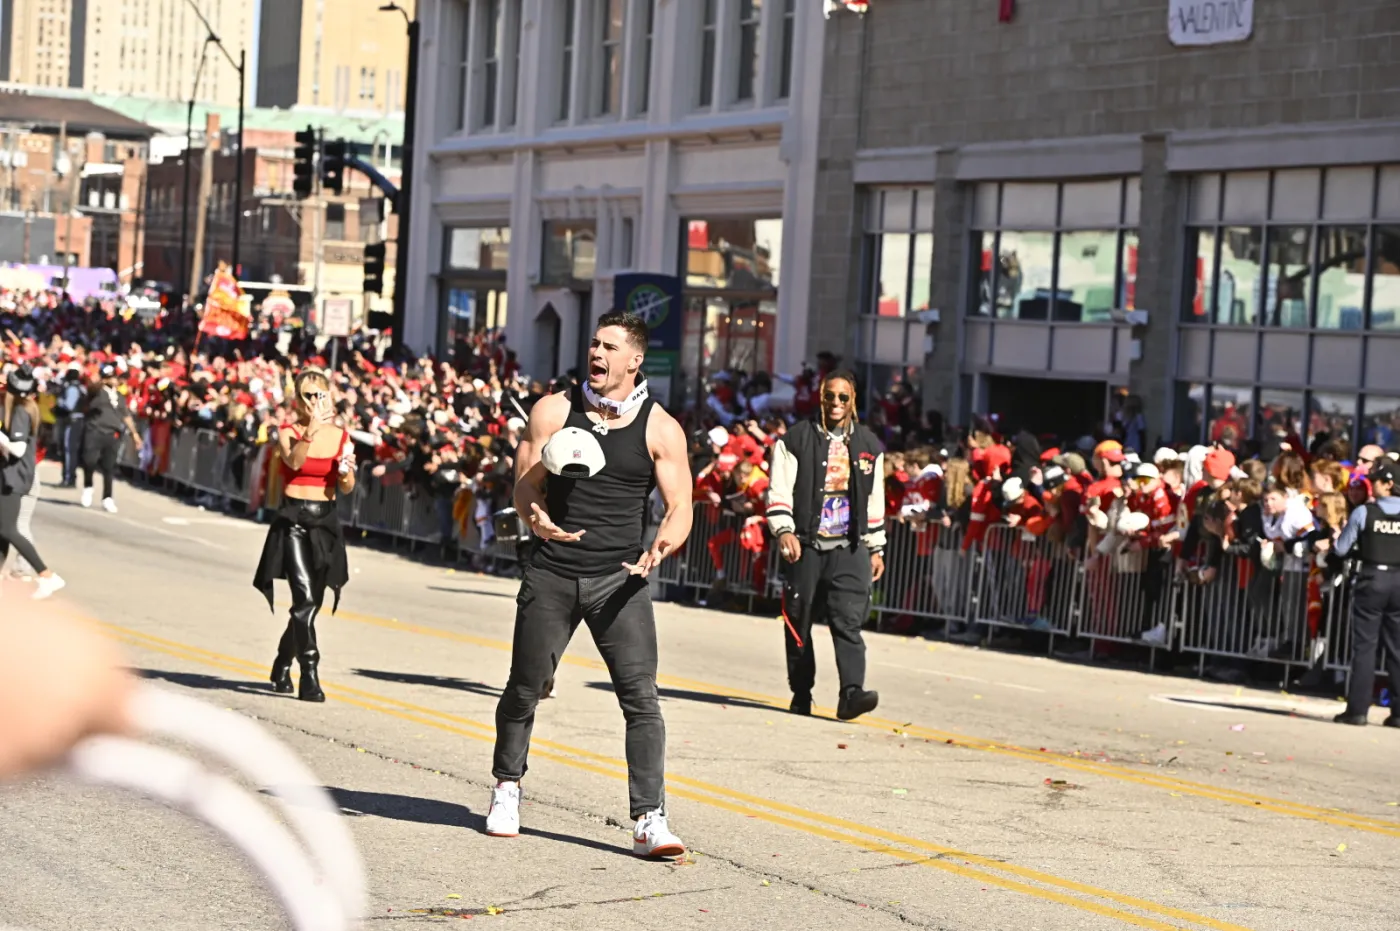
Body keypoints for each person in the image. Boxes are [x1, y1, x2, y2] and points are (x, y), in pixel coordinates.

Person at [485, 311, 693, 859]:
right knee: (525, 687)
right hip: (552, 571)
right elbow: (525, 484)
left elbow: (681, 508)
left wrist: (660, 548)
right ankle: (506, 787)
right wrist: (537, 518)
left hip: (619, 580)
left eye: (608, 347)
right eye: (593, 343)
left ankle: (650, 819)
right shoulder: (554, 410)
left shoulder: (659, 427)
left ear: (634, 360)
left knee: (641, 699)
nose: (596, 353)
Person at [765, 370, 885, 721]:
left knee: (848, 620)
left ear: (853, 401)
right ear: (820, 398)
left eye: (843, 397)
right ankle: (801, 692)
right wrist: (783, 530)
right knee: (799, 620)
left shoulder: (869, 445)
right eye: (830, 396)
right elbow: (779, 490)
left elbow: (875, 501)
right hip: (806, 544)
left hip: (849, 547)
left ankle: (851, 693)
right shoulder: (795, 440)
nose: (836, 403)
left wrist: (876, 547)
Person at [253, 368, 355, 703]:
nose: (314, 401)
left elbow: (347, 486)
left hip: (325, 521)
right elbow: (294, 463)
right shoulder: (287, 431)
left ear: (329, 396)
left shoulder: (341, 436)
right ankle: (309, 673)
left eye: (319, 395)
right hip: (294, 520)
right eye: (307, 395)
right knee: (305, 599)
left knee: (310, 605)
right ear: (298, 399)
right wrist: (309, 431)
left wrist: (345, 473)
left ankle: (282, 663)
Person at [1332, 459, 1400, 727]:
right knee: (1397, 649)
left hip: (1372, 578)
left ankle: (1358, 710)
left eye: (1378, 482)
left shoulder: (1365, 513)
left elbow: (1340, 549)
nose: (1374, 487)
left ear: (1389, 484)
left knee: (1365, 647)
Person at [0, 366, 65, 599]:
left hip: (15, 475)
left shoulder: (19, 411)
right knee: (2, 530)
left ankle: (47, 575)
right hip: (11, 474)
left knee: (8, 529)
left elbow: (18, 449)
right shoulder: (23, 407)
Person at [80, 363, 143, 513]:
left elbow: (125, 415)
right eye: (110, 377)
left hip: (112, 433)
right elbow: (91, 388)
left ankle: (107, 497)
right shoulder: (97, 391)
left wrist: (134, 433)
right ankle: (88, 486)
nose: (114, 380)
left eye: (114, 377)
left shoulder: (120, 396)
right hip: (95, 430)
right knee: (90, 460)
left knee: (109, 467)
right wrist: (100, 381)